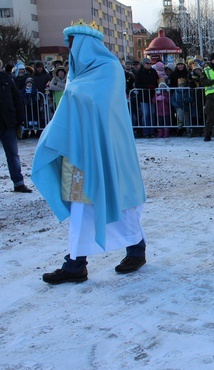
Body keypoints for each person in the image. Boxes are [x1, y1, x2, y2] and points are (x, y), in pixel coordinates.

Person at [33, 22, 147, 284]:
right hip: (80, 152)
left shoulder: (108, 69)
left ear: (85, 45)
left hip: (109, 150)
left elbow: (100, 104)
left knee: (122, 201)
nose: (70, 52)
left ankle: (136, 249)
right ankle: (75, 265)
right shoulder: (78, 76)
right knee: (81, 206)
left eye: (73, 45)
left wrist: (74, 94)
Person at [0, 59, 33, 193]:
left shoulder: (6, 78)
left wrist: (20, 120)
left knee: (13, 154)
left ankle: (18, 183)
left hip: (8, 122)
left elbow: (16, 99)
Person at [134, 57, 158, 137]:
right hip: (143, 96)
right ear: (143, 64)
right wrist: (147, 86)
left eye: (150, 63)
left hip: (152, 95)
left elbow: (157, 81)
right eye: (147, 63)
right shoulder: (139, 72)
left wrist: (155, 87)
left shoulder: (153, 71)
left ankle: (152, 131)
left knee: (152, 113)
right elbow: (137, 84)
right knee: (146, 114)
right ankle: (145, 131)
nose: (149, 65)